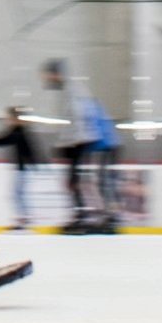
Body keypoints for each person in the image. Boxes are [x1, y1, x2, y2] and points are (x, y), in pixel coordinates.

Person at [43, 59, 120, 234]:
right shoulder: (72, 90)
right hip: (96, 141)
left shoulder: (73, 90)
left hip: (103, 141)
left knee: (95, 181)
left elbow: (80, 119)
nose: (46, 79)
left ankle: (98, 217)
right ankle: (97, 217)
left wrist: (66, 144)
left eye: (48, 75)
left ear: (56, 74)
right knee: (86, 181)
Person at [0, 108, 37, 231]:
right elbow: (7, 139)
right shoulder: (19, 130)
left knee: (16, 194)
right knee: (17, 194)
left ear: (15, 118)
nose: (8, 120)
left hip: (23, 168)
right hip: (22, 167)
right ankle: (24, 218)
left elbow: (6, 140)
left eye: (9, 118)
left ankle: (24, 219)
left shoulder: (18, 131)